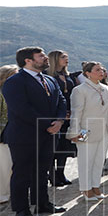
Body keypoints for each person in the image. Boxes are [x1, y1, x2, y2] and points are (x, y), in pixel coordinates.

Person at [2, 47, 68, 216]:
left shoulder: (49, 79)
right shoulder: (14, 82)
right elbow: (22, 109)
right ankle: (21, 210)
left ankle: (42, 203)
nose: (45, 58)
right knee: (22, 173)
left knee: (42, 171)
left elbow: (61, 101)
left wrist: (59, 121)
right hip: (25, 136)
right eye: (41, 56)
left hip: (49, 134)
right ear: (28, 61)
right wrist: (49, 125)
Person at [67, 61, 108, 201]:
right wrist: (75, 132)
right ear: (87, 73)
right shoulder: (79, 90)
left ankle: (96, 186)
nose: (101, 72)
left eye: (102, 69)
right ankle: (86, 188)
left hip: (104, 130)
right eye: (97, 70)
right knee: (86, 161)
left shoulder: (105, 88)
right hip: (85, 131)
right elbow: (76, 113)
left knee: (99, 161)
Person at [47, 50, 77, 187]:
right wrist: (60, 113)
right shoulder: (47, 75)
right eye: (63, 57)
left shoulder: (67, 75)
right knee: (53, 147)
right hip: (56, 115)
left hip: (68, 114)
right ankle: (52, 175)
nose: (66, 59)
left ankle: (61, 173)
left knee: (64, 147)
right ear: (55, 59)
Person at [0, 65, 19, 204]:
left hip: (15, 133)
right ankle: (3, 194)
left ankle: (12, 192)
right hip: (3, 135)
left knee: (13, 165)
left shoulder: (16, 92)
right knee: (4, 166)